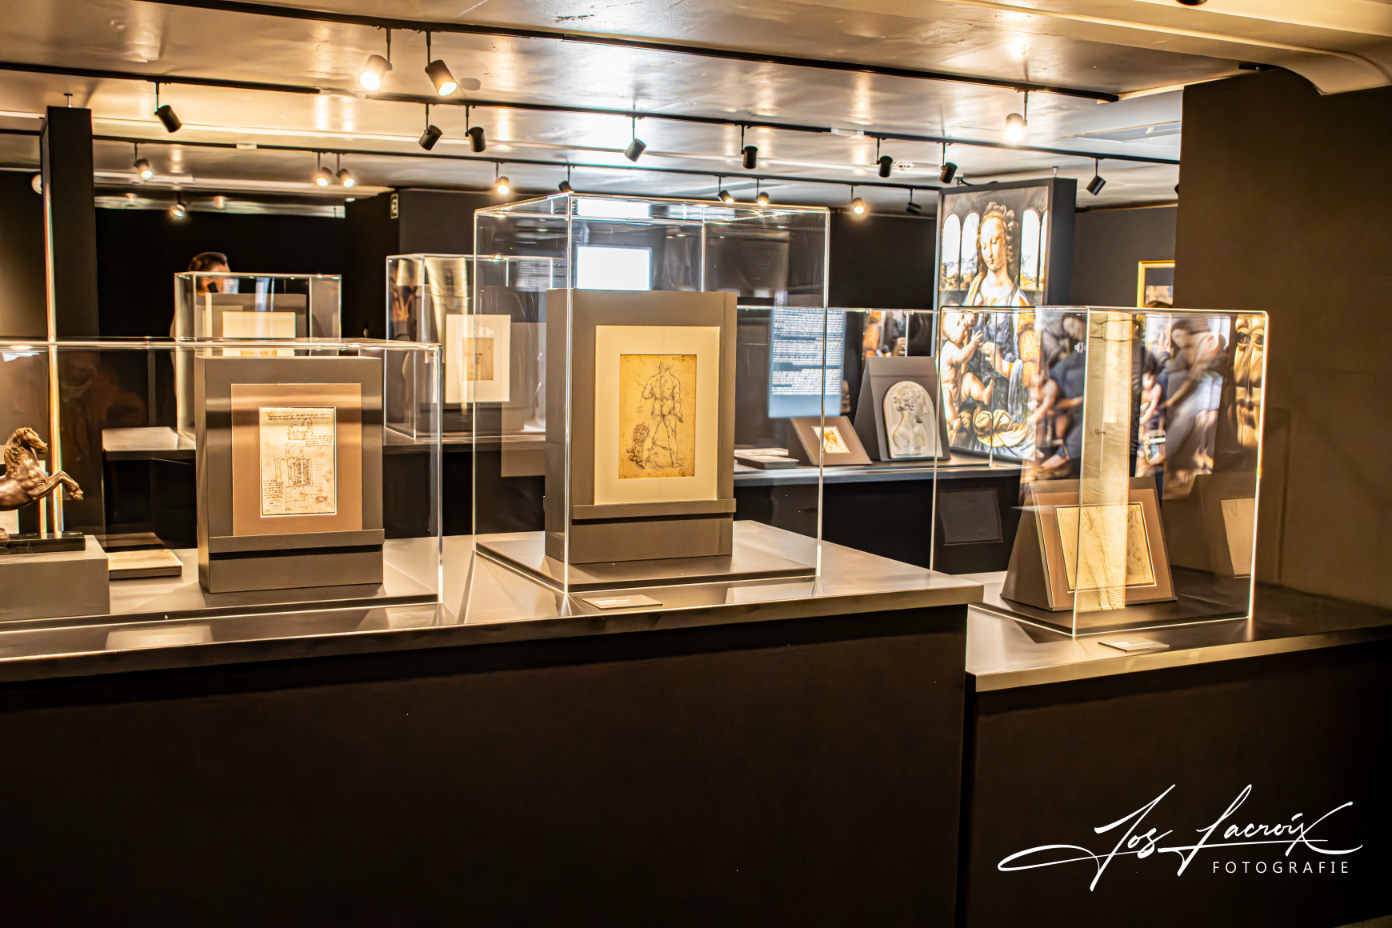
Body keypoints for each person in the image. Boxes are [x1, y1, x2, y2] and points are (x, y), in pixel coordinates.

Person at [964, 203, 1031, 307]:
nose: (989, 253)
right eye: (984, 246)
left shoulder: (1016, 299)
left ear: (1006, 243)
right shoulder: (975, 290)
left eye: (994, 242)